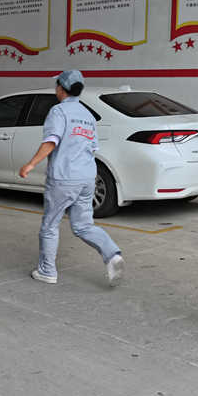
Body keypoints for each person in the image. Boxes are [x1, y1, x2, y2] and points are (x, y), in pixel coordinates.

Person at [19, 70, 125, 286]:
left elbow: (51, 140)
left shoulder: (58, 111)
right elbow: (92, 148)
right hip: (87, 178)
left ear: (61, 87)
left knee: (50, 225)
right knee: (83, 226)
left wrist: (31, 164)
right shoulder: (88, 115)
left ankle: (47, 271)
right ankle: (112, 255)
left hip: (63, 178)